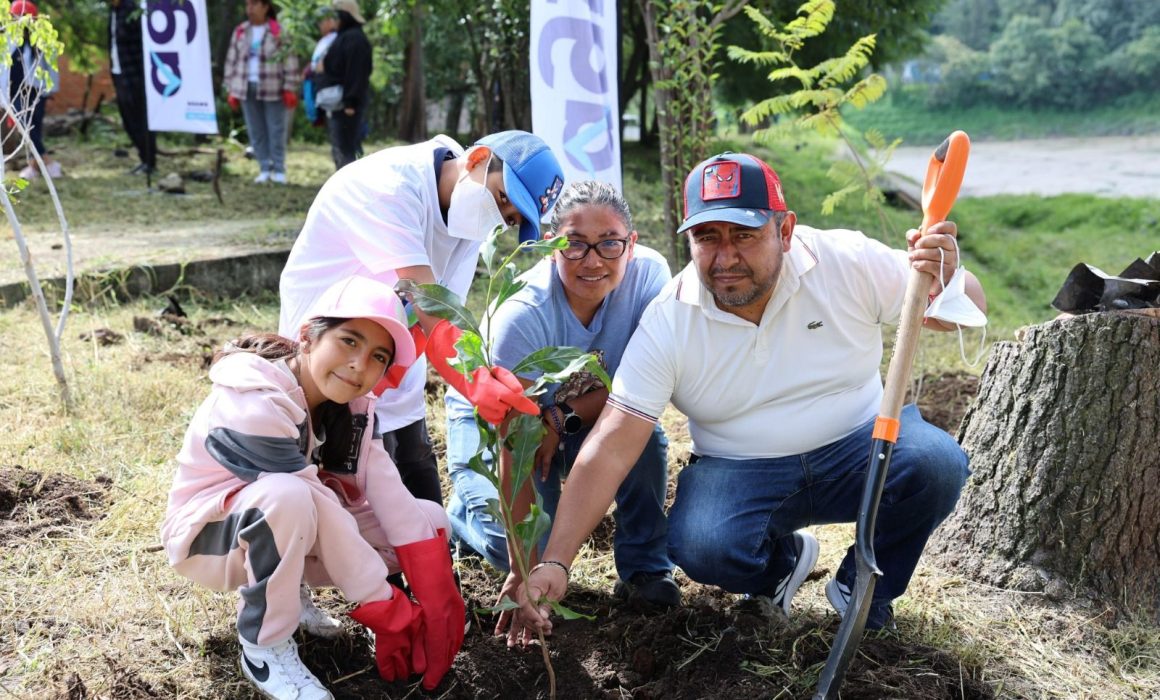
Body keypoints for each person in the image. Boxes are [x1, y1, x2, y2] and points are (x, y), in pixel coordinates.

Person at [513, 152, 985, 640]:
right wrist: (556, 561)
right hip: (741, 470)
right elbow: (611, 446)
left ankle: (865, 588)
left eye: (744, 235)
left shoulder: (844, 261)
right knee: (702, 544)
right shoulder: (670, 319)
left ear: (785, 230)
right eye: (707, 237)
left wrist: (947, 276)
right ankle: (779, 567)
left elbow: (964, 309)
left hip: (860, 449)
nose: (725, 258)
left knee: (935, 463)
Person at [161, 276, 465, 699]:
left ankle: (287, 594)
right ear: (307, 335)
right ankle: (264, 646)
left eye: (378, 356)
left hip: (282, 523)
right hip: (207, 541)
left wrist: (436, 588)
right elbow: (321, 510)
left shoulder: (352, 408)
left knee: (429, 517)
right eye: (349, 341)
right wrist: (384, 603)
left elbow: (389, 491)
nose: (359, 364)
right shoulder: (254, 399)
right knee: (289, 496)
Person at [278, 130, 565, 508]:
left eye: (510, 219)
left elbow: (444, 318)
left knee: (420, 491)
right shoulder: (391, 186)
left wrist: (472, 375)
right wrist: (475, 379)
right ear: (477, 158)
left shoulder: (468, 219)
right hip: (330, 363)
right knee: (334, 500)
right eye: (502, 198)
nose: (500, 217)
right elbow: (431, 305)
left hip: (391, 363)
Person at [444, 181, 680, 618]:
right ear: (551, 246)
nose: (592, 261)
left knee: (643, 439)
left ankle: (646, 568)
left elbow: (645, 385)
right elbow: (514, 442)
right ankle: (463, 518)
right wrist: (523, 570)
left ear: (631, 244)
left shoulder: (650, 278)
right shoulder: (524, 315)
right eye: (574, 244)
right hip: (503, 422)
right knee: (521, 545)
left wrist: (559, 417)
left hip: (576, 411)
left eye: (609, 243)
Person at [223, 0, 300, 184]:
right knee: (255, 129)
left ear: (265, 7)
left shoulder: (278, 31)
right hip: (245, 86)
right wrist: (230, 88)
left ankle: (279, 169)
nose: (249, 9)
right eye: (247, 5)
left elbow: (289, 59)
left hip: (273, 86)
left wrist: (289, 86)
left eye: (254, 4)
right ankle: (264, 168)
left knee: (276, 129)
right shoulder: (241, 31)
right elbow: (231, 60)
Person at [4, 1, 60, 180]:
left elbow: (51, 69)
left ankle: (37, 166)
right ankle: (46, 163)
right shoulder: (9, 39)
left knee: (34, 128)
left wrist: (51, 91)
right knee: (25, 128)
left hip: (36, 91)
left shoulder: (41, 40)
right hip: (15, 92)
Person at [316, 0, 372, 169]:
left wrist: (350, 102)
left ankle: (350, 183)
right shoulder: (345, 37)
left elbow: (356, 74)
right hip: (338, 104)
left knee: (347, 150)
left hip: (347, 106)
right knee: (340, 148)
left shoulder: (355, 39)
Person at [108, 0, 156, 176]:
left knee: (141, 120)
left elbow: (143, 44)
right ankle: (143, 158)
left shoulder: (131, 11)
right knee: (128, 121)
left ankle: (150, 161)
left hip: (135, 76)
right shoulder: (113, 12)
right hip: (119, 73)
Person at [302, 7, 338, 126]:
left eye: (322, 21)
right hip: (319, 89)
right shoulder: (324, 40)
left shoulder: (336, 38)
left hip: (331, 90)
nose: (319, 25)